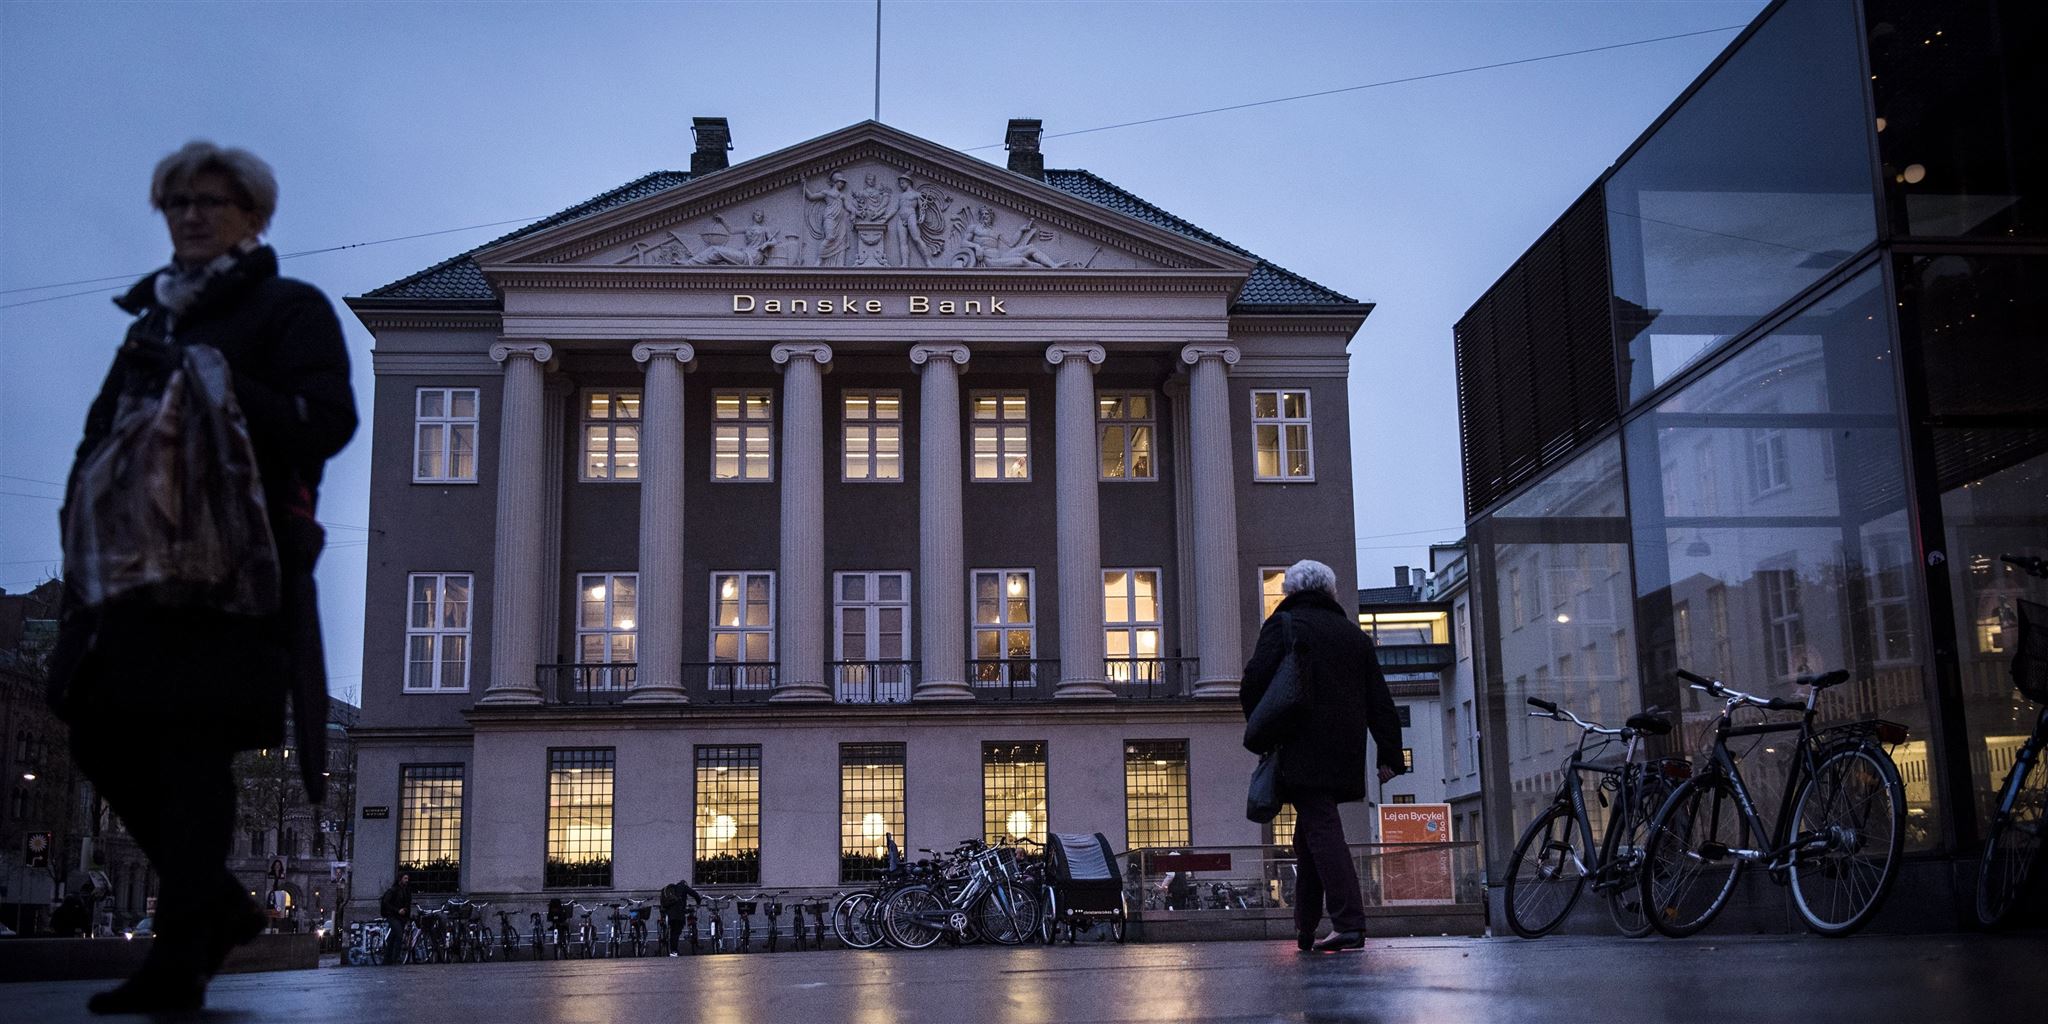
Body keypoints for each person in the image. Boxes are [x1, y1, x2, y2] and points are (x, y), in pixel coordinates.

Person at [49, 141, 357, 1014]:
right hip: (134, 566)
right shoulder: (151, 324)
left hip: (236, 563)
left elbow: (326, 423)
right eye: (178, 200)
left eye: (211, 200)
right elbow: (102, 433)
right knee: (94, 727)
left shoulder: (288, 309)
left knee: (195, 747)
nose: (191, 213)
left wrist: (224, 385)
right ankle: (219, 903)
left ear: (253, 216)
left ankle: (183, 952)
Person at [1239, 559, 1402, 954]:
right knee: (1310, 830)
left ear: (1290, 592)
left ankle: (1349, 923)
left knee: (1322, 828)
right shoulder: (1354, 636)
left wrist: (1262, 730)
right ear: (1331, 592)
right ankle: (1305, 927)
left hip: (1299, 742)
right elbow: (1380, 699)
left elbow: (1253, 682)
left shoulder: (1284, 625)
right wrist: (1389, 754)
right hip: (1345, 747)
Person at [659, 877, 701, 956]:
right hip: (679, 913)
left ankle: (672, 950)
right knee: (676, 932)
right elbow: (694, 894)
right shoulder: (683, 887)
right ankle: (674, 951)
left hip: (670, 913)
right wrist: (698, 902)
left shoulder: (671, 889)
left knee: (672, 931)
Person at [379, 874, 413, 964]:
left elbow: (408, 904)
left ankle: (387, 959)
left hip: (402, 917)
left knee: (393, 937)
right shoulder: (393, 890)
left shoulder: (407, 891)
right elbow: (386, 902)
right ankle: (395, 958)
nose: (407, 880)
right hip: (392, 916)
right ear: (400, 879)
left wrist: (407, 914)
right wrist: (397, 910)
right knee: (399, 934)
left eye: (408, 878)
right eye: (405, 878)